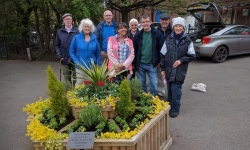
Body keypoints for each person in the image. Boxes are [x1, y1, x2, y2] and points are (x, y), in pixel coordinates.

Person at [160, 17, 196, 118]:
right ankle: (170, 104)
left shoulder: (188, 40)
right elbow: (162, 55)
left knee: (176, 90)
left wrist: (181, 61)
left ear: (183, 28)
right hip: (168, 69)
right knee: (170, 89)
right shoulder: (168, 39)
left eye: (180, 26)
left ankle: (175, 108)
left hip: (180, 71)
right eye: (176, 26)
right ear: (173, 27)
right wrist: (162, 69)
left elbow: (192, 55)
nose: (178, 28)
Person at [133, 14, 164, 96]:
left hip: (152, 63)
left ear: (150, 22)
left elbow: (161, 49)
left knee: (154, 83)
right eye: (143, 22)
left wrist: (160, 61)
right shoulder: (138, 35)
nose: (145, 23)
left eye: (147, 21)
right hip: (140, 64)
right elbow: (134, 50)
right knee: (141, 83)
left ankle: (153, 100)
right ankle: (144, 99)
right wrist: (134, 63)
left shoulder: (157, 33)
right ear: (141, 23)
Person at [69, 18, 101, 86]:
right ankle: (77, 96)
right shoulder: (76, 38)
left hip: (92, 67)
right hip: (80, 66)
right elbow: (71, 51)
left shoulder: (94, 38)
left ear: (91, 28)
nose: (86, 28)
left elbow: (98, 53)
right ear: (82, 27)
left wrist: (99, 64)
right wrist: (77, 62)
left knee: (91, 85)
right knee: (79, 84)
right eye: (85, 26)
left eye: (88, 26)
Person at [55, 13, 79, 86]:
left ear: (72, 20)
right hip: (64, 58)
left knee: (76, 78)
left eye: (69, 19)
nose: (68, 20)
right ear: (63, 21)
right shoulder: (59, 32)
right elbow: (56, 45)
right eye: (66, 19)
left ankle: (75, 94)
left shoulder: (77, 31)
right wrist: (59, 55)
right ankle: (68, 94)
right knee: (67, 79)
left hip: (75, 59)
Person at [157, 13, 172, 97]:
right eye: (163, 20)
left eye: (166, 20)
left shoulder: (173, 31)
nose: (164, 21)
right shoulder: (156, 31)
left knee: (170, 77)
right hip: (159, 59)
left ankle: (170, 94)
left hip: (170, 59)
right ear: (160, 21)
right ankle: (160, 92)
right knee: (160, 76)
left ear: (169, 21)